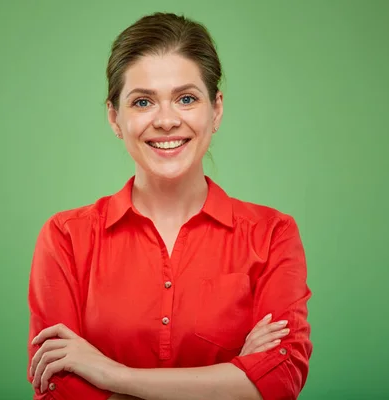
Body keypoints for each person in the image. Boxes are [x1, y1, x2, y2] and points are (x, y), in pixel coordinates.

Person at [26, 12, 312, 400]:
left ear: (217, 109)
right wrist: (233, 380)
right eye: (143, 102)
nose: (165, 120)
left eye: (187, 98)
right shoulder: (65, 237)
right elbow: (61, 392)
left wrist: (112, 376)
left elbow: (279, 383)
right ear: (114, 117)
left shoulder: (273, 234)